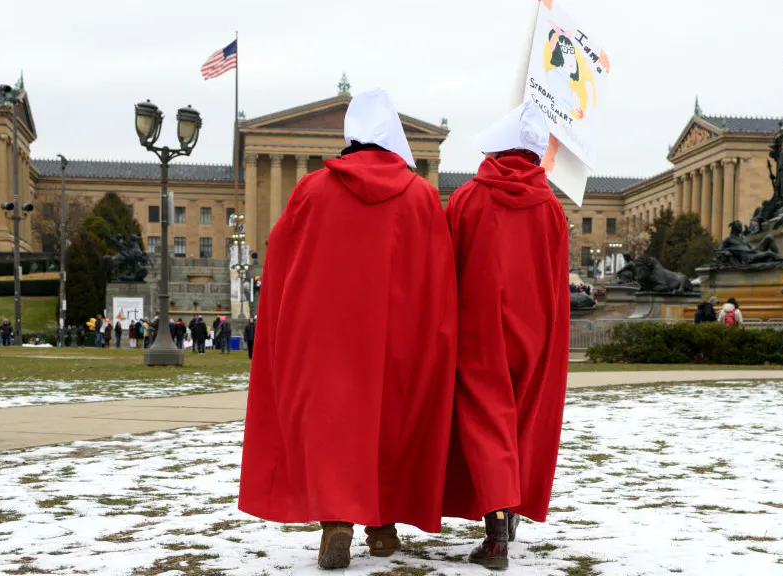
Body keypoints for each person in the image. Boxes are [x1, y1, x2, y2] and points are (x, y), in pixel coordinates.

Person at [239, 89, 456, 571]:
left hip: (328, 340)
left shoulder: (313, 189)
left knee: (336, 427)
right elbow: (438, 275)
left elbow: (280, 256)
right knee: (392, 422)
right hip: (397, 338)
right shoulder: (421, 195)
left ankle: (336, 523)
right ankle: (382, 529)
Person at [441, 101, 568, 570]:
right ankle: (508, 508)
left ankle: (496, 537)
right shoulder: (551, 208)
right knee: (518, 422)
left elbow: (447, 268)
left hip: (479, 329)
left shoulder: (469, 198)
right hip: (534, 332)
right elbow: (556, 282)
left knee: (486, 421)